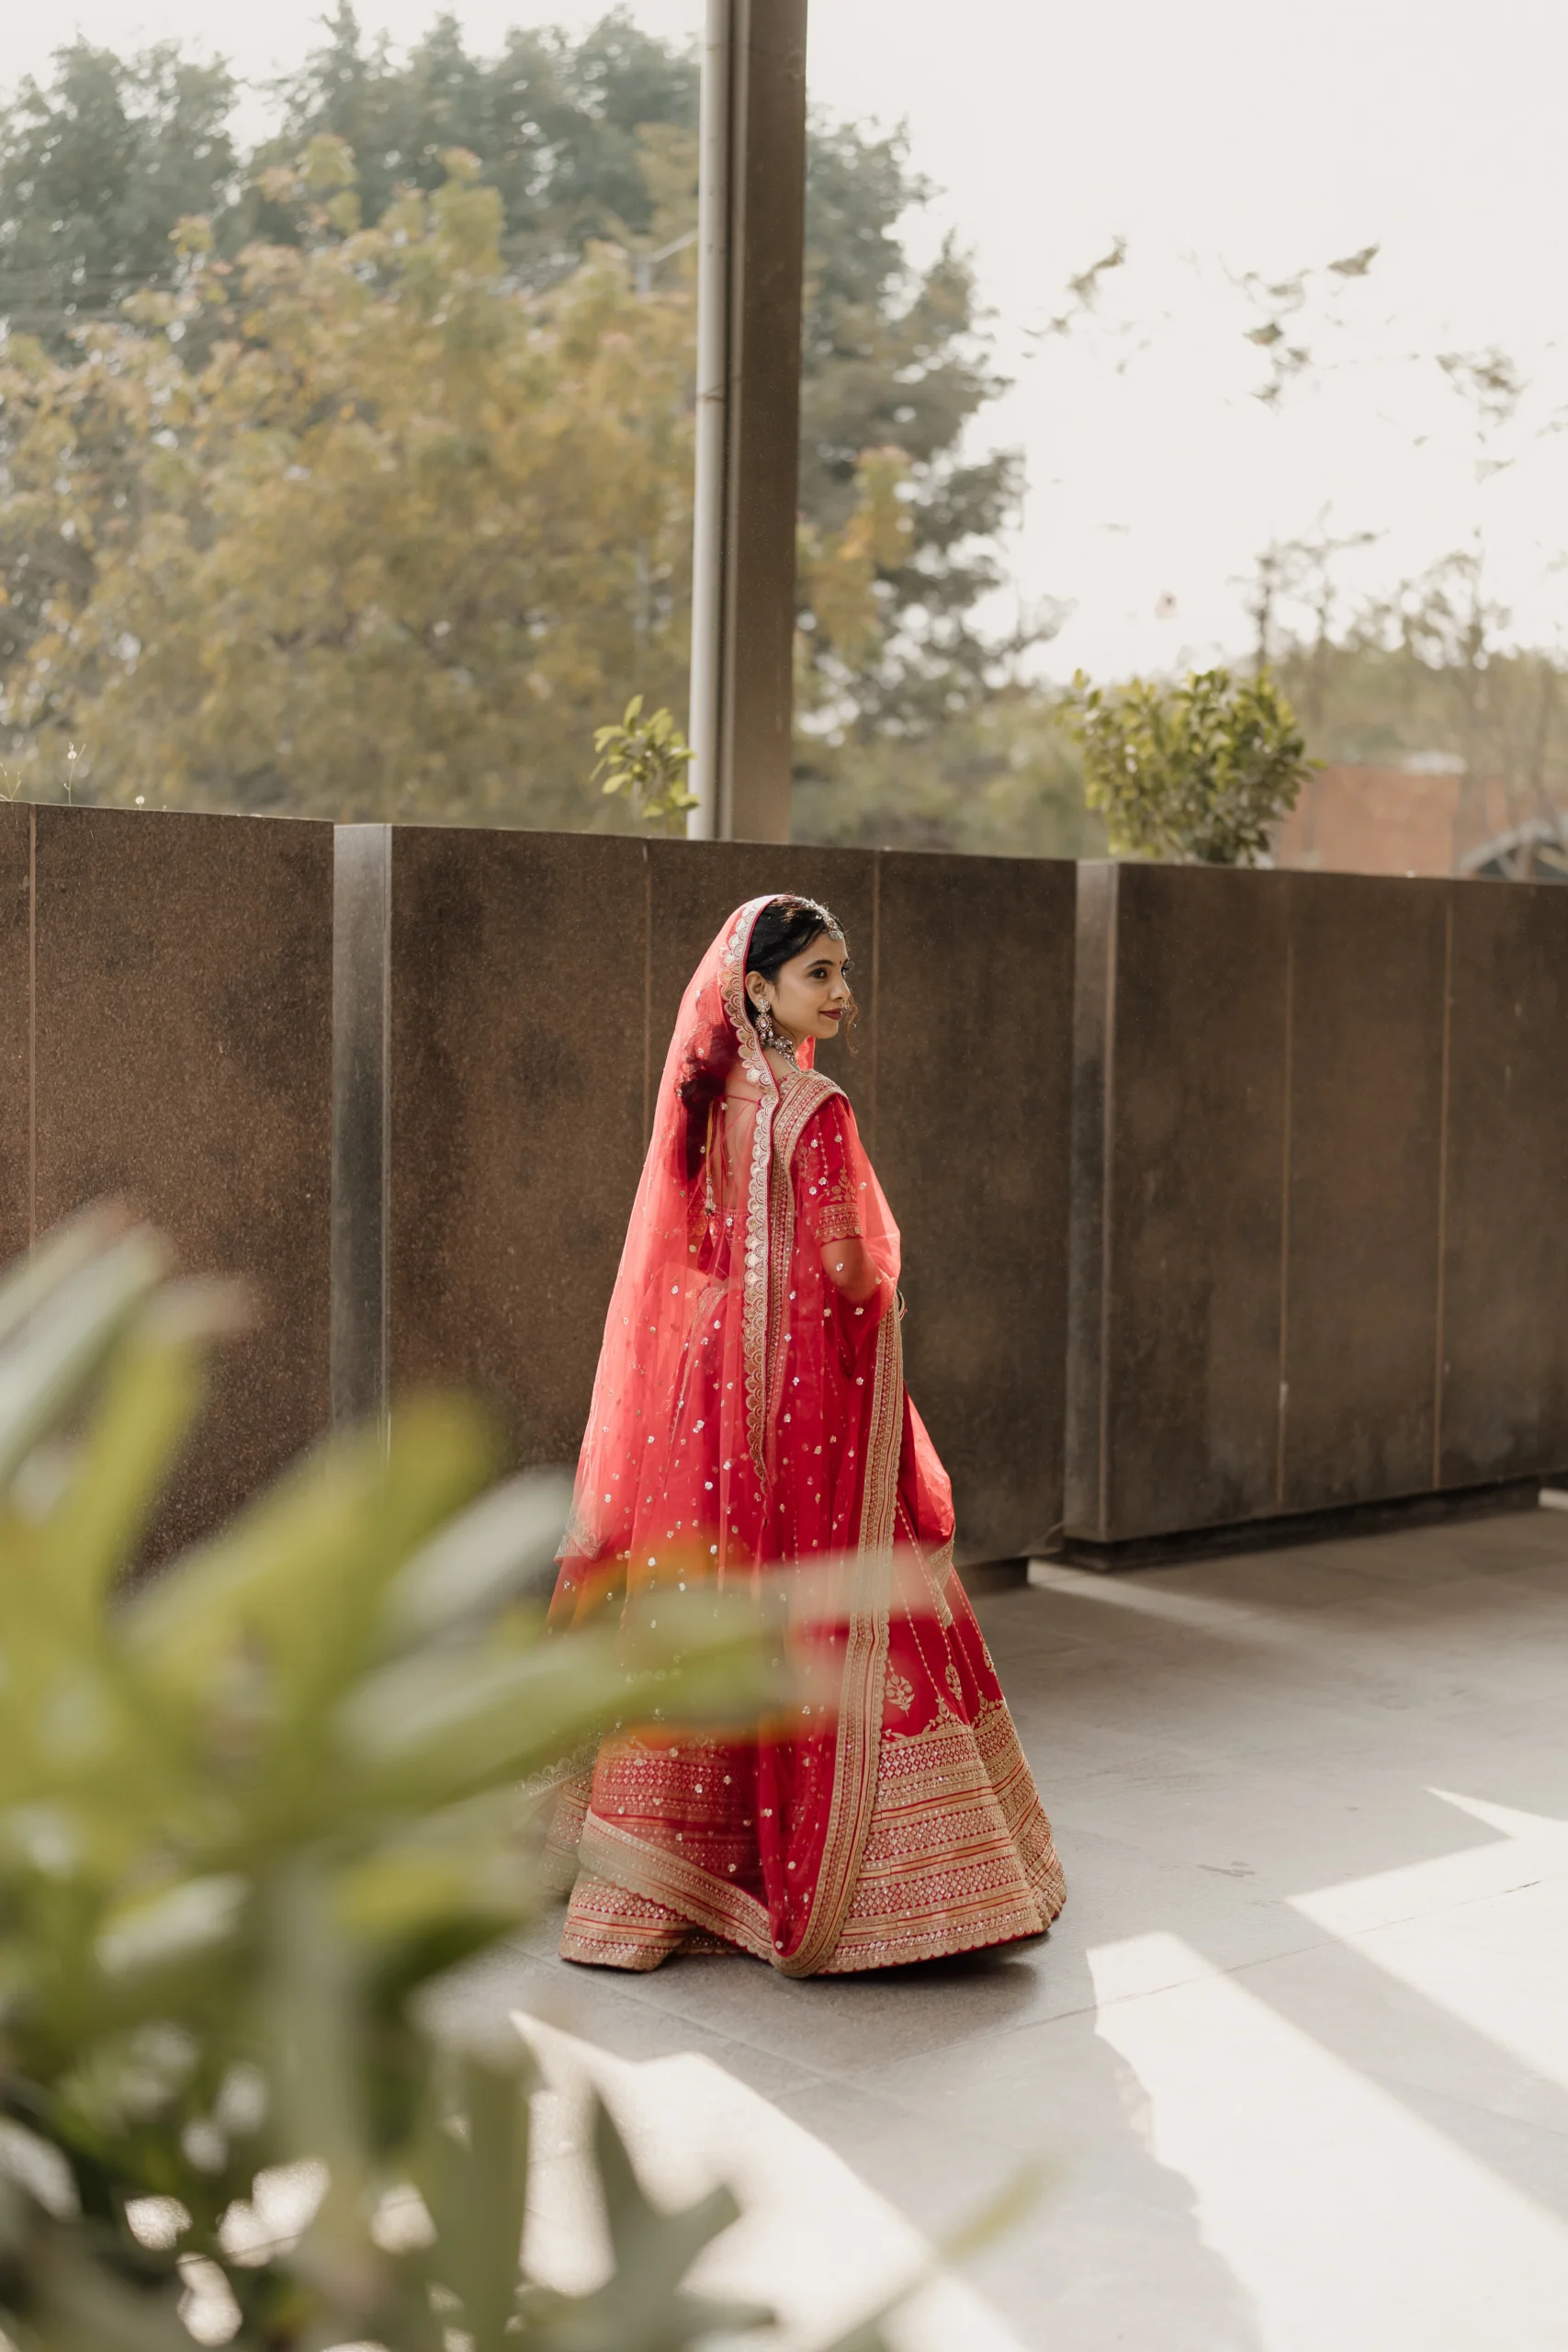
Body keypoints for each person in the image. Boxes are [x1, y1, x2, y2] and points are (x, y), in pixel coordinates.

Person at [545, 893, 1064, 1974]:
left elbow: (698, 1249)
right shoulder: (815, 1107)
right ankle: (881, 1888)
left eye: (842, 971)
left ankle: (659, 1883)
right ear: (758, 988)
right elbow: (846, 1265)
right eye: (819, 973)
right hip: (803, 1391)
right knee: (834, 1593)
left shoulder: (714, 1100)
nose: (841, 993)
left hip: (709, 1391)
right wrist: (884, 1298)